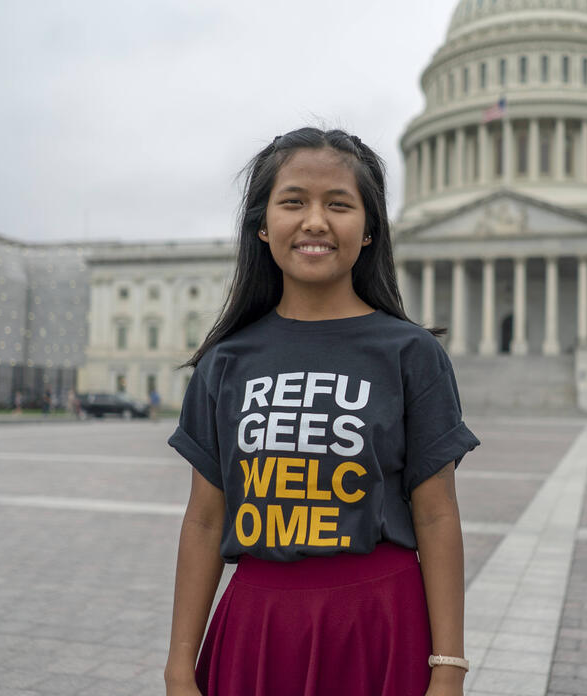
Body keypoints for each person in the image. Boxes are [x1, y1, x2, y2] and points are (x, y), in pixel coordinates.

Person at [164, 127, 479, 696]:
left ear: (368, 230)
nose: (315, 221)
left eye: (339, 204)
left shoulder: (412, 355)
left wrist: (448, 665)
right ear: (263, 225)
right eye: (293, 202)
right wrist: (179, 665)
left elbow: (436, 516)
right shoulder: (225, 362)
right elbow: (206, 519)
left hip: (379, 621)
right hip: (258, 624)